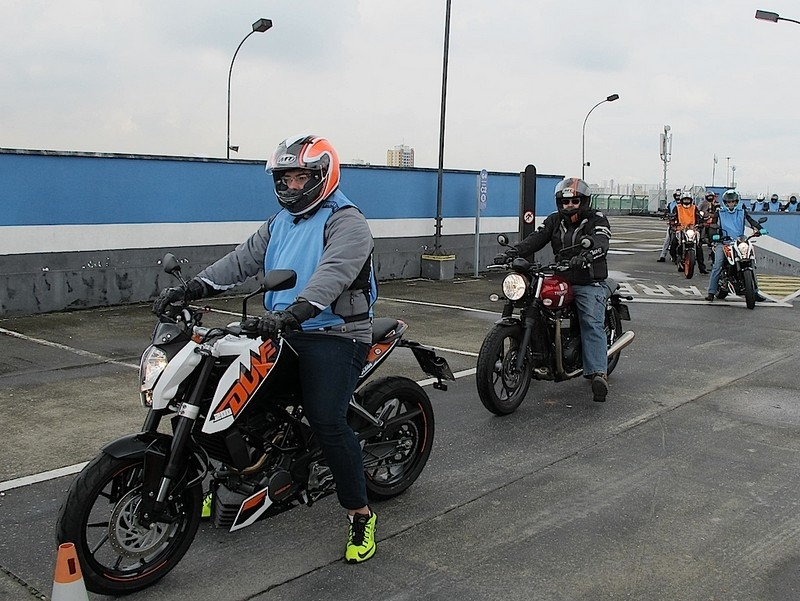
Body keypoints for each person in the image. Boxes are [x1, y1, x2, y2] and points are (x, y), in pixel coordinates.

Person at [153, 134, 379, 563]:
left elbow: (333, 273)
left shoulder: (347, 221)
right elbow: (240, 261)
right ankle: (222, 479)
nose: (292, 187)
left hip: (335, 333)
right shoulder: (280, 223)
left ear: (323, 176)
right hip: (284, 329)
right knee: (221, 397)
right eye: (285, 179)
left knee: (327, 420)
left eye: (301, 178)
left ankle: (360, 514)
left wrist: (295, 312)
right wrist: (190, 287)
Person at [494, 177, 612, 402]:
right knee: (534, 304)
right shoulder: (554, 220)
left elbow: (601, 242)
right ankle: (535, 357)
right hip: (561, 277)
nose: (569, 205)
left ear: (584, 201)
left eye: (574, 201)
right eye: (565, 201)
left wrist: (586, 256)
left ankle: (598, 372)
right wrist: (513, 252)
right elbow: (535, 239)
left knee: (590, 321)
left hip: (588, 280)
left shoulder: (597, 219)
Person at [705, 189, 768, 302]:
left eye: (733, 202)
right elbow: (713, 225)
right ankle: (711, 292)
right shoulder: (720, 212)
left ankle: (755, 291)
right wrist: (714, 235)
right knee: (717, 265)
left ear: (737, 202)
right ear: (725, 202)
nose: (731, 204)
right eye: (729, 202)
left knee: (751, 263)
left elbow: (751, 221)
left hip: (739, 242)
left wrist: (760, 229)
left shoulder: (742, 211)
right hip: (724, 242)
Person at [669, 191, 708, 274]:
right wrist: (673, 222)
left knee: (699, 246)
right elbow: (673, 216)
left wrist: (700, 223)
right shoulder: (677, 207)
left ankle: (702, 267)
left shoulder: (694, 208)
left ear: (691, 200)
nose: (686, 201)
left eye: (688, 199)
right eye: (685, 199)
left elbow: (698, 217)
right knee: (674, 242)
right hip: (680, 229)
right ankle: (675, 257)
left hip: (692, 229)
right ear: (682, 200)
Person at [657, 189, 681, 262]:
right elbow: (667, 212)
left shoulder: (683, 205)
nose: (678, 197)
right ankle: (662, 256)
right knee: (667, 240)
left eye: (679, 195)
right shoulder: (671, 204)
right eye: (676, 195)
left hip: (682, 225)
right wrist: (665, 215)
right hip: (673, 224)